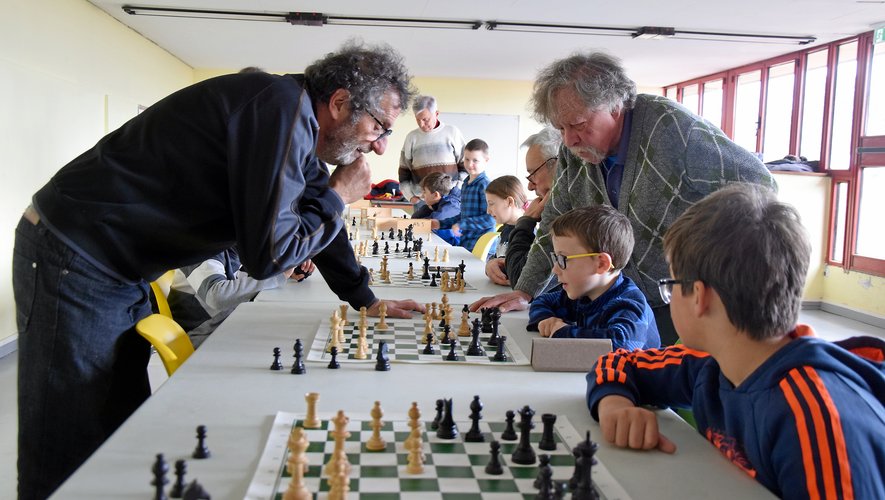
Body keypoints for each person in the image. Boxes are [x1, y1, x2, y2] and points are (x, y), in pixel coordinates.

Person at [12, 41, 423, 499]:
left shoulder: (292, 120)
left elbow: (317, 219)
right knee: (68, 440)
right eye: (379, 127)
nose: (380, 145)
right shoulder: (278, 109)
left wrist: (365, 298)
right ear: (340, 103)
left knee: (118, 423)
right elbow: (271, 255)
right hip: (78, 254)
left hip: (113, 264)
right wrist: (337, 196)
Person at [587, 184, 885, 499]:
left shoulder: (813, 420)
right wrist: (614, 405)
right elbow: (618, 363)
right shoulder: (712, 363)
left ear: (699, 297)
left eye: (671, 284)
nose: (669, 296)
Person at [471, 52, 775, 346]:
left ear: (615, 107)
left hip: (683, 297)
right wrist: (525, 290)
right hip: (618, 299)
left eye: (578, 124)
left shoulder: (672, 127)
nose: (569, 139)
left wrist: (702, 251)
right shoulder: (573, 152)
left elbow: (759, 185)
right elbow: (554, 223)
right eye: (561, 128)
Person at [527, 206, 659, 350]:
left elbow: (620, 345)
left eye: (563, 259)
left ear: (601, 264)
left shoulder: (628, 305)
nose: (555, 269)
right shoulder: (584, 293)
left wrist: (563, 332)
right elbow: (541, 301)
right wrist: (547, 320)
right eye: (556, 258)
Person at [167, 249, 315, 348]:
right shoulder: (201, 249)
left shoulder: (234, 246)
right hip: (203, 335)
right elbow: (217, 295)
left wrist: (285, 270)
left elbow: (245, 277)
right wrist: (276, 277)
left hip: (226, 322)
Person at [484, 127, 561, 287]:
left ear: (557, 165)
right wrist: (493, 263)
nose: (530, 186)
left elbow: (520, 277)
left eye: (533, 174)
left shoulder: (563, 220)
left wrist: (527, 220)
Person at [398, 95, 467, 203]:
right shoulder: (411, 137)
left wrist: (457, 189)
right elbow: (404, 172)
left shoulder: (452, 133)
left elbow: (465, 166)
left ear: (436, 113)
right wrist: (410, 197)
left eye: (425, 119)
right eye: (418, 120)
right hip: (422, 200)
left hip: (450, 198)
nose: (422, 124)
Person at [437, 139, 497, 252]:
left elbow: (491, 218)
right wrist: (440, 224)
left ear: (486, 160)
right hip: (466, 244)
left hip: (481, 248)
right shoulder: (465, 184)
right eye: (467, 159)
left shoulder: (485, 185)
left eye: (475, 160)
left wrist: (462, 224)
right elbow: (464, 216)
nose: (470, 164)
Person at [484, 175, 527, 264]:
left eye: (491, 204)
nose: (488, 211)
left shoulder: (525, 234)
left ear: (509, 202)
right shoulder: (506, 228)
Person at [411, 172, 462, 245]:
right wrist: (428, 208)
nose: (422, 196)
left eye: (425, 192)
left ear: (435, 195)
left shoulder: (451, 205)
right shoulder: (438, 203)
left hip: (458, 248)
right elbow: (414, 219)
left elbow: (432, 223)